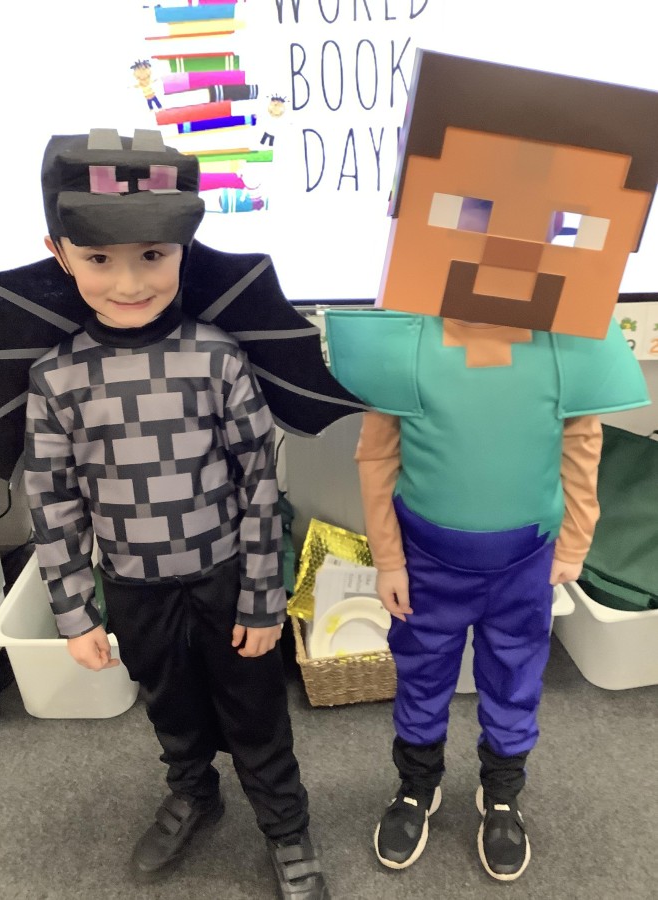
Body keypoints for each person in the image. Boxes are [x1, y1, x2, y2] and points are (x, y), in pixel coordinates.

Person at [324, 50, 658, 882]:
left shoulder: (567, 343)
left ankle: (501, 795)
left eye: (539, 223)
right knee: (421, 677)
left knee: (515, 682)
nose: (504, 241)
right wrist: (389, 560)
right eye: (475, 214)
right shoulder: (408, 341)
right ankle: (416, 785)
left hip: (523, 562)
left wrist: (572, 545)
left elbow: (581, 447)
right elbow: (377, 456)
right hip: (427, 560)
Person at [23, 127, 329, 899]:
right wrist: (75, 613)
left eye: (153, 255)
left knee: (256, 715)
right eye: (99, 259)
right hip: (133, 587)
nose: (129, 282)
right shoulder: (56, 379)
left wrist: (262, 598)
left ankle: (285, 827)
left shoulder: (217, 357)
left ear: (184, 249)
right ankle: (194, 791)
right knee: (172, 710)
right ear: (59, 253)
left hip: (225, 580)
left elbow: (259, 482)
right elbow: (53, 498)